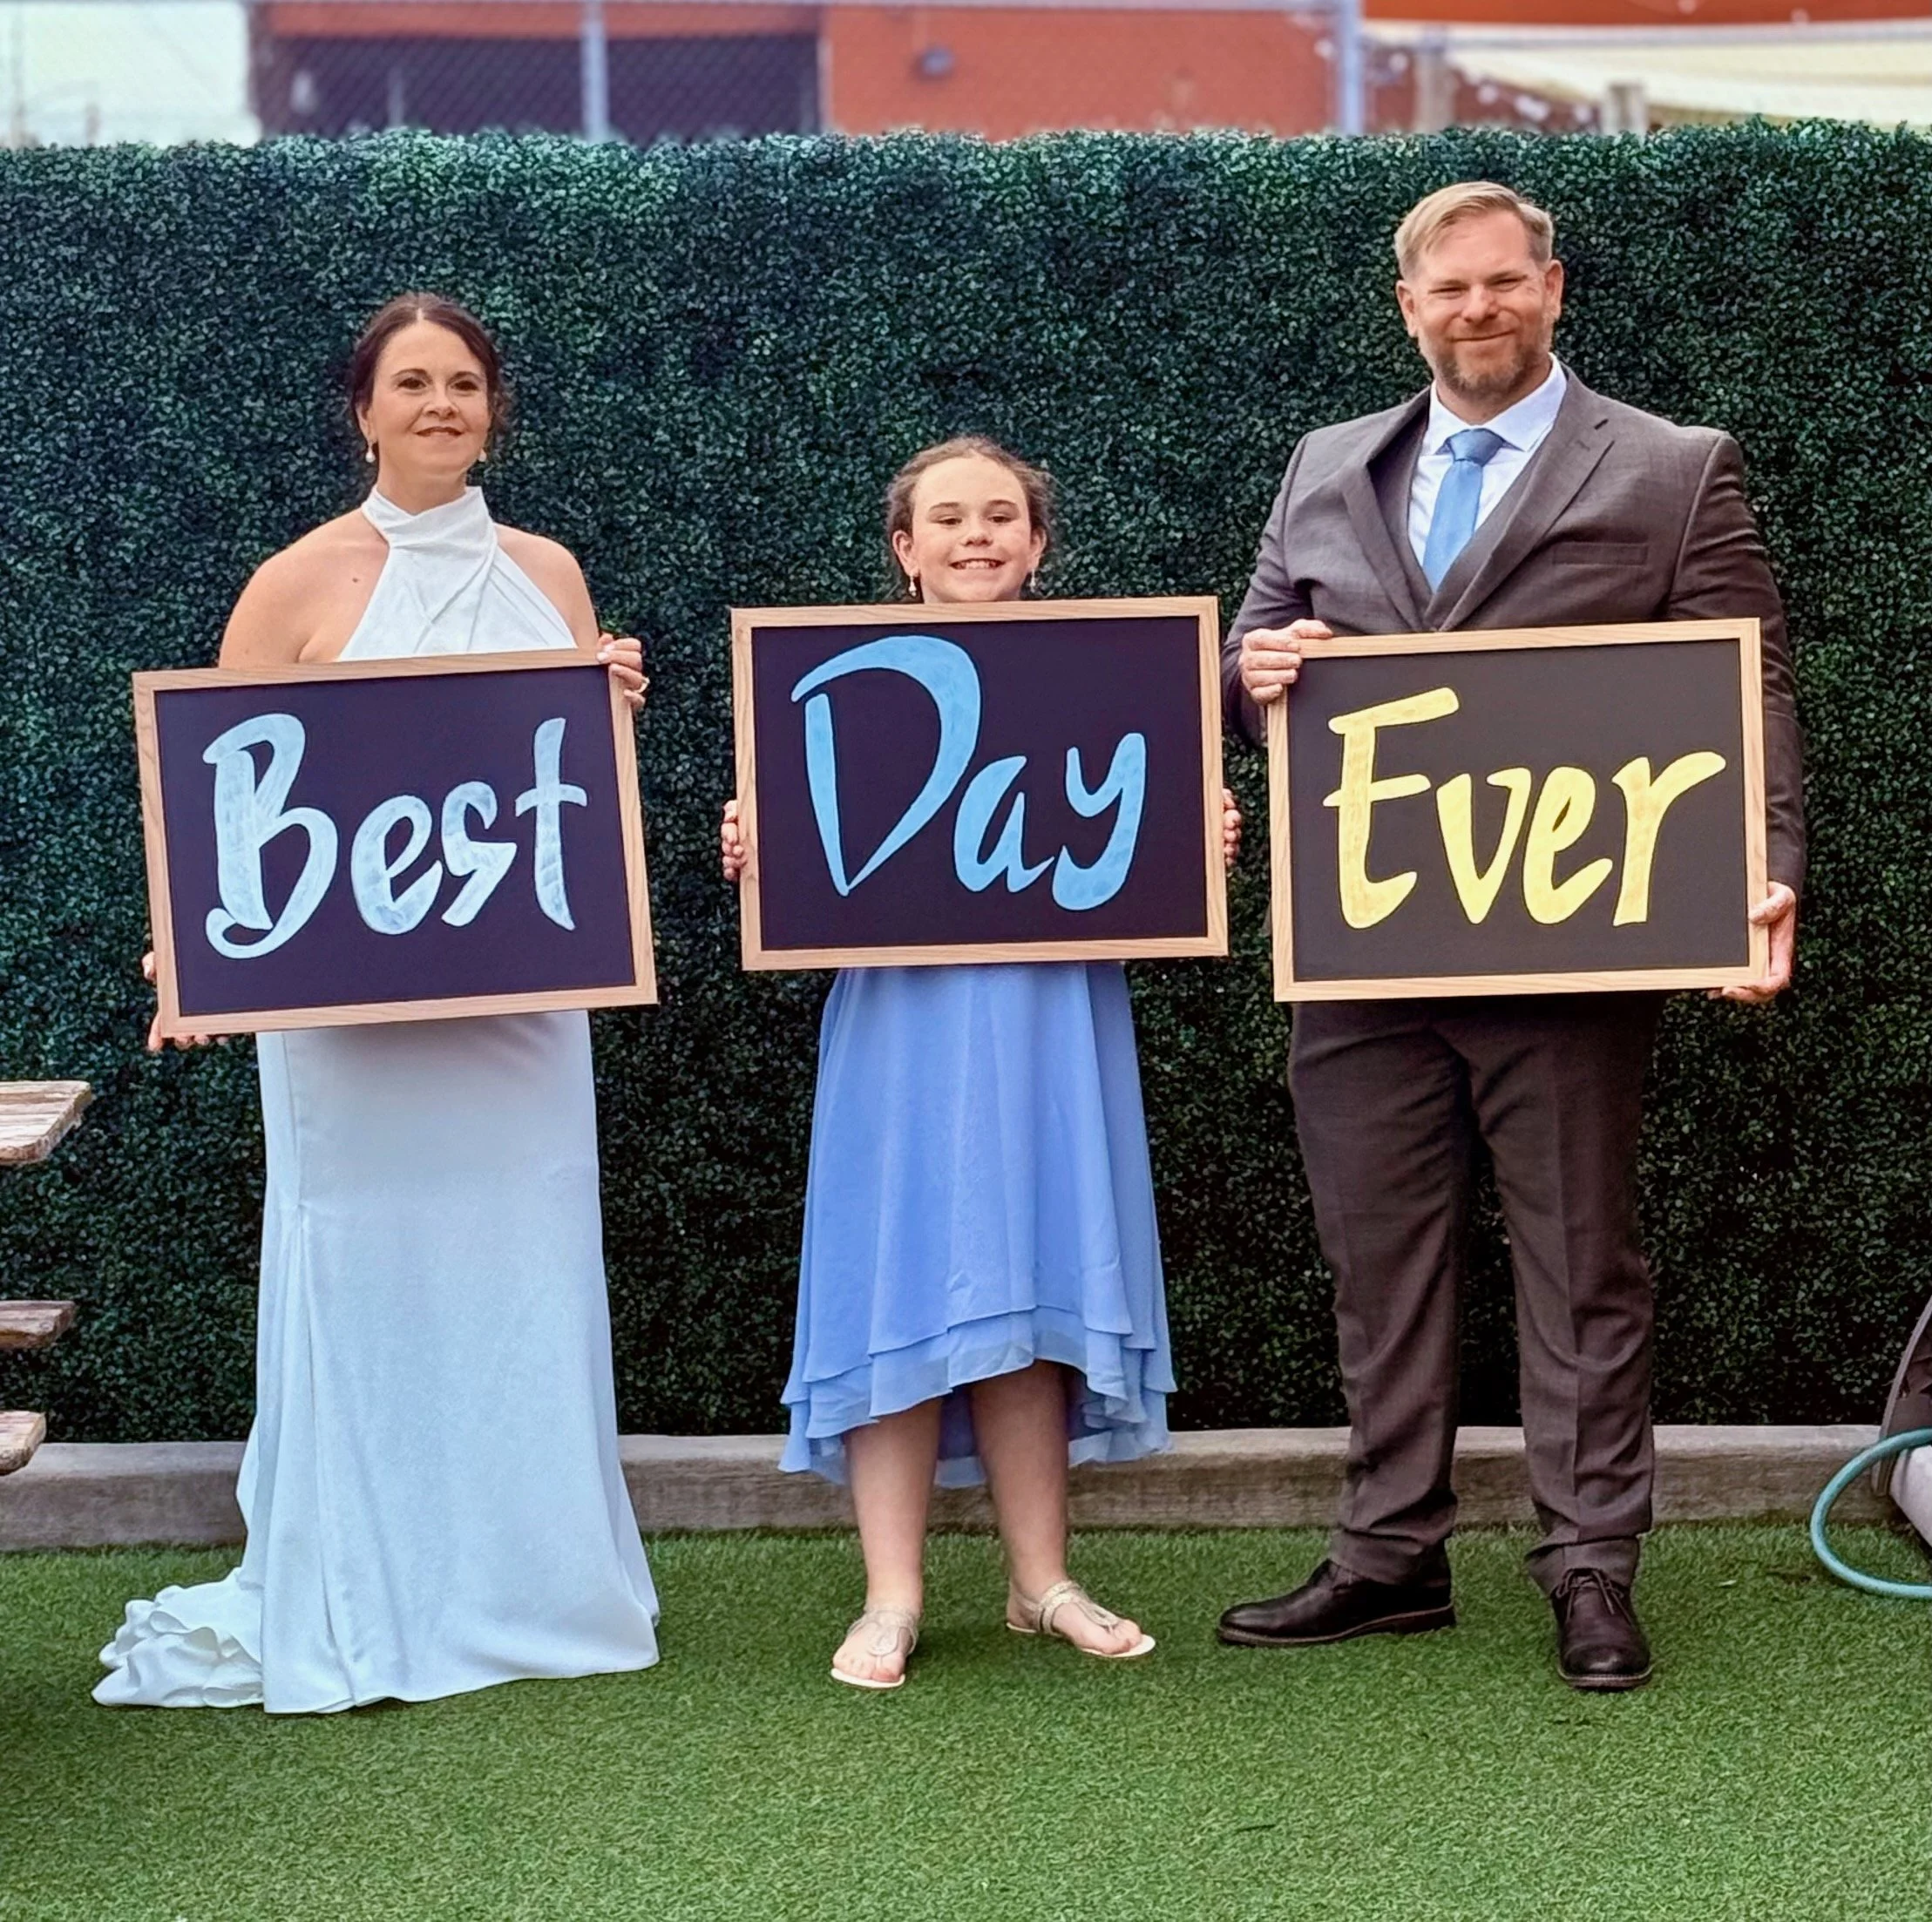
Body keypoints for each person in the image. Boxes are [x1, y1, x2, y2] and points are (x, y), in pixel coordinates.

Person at [1217, 183, 1804, 1691]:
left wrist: (1764, 874)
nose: (1476, 310)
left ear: (1552, 287)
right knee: (1378, 1260)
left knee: (1581, 1260)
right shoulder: (1326, 463)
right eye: (1446, 291)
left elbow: (1746, 691)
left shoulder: (1674, 468)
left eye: (1502, 283)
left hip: (1572, 941)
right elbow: (1252, 649)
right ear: (1405, 307)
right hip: (1362, 948)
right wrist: (1256, 665)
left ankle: (1592, 1565)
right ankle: (1387, 1554)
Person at [100, 294, 661, 1712]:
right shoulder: (293, 584)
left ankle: (529, 1587)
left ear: (493, 409)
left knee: (522, 1262)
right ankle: (371, 1582)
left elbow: (570, 796)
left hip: (520, 1006)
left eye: (463, 383)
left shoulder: (552, 570)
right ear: (363, 409)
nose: (439, 405)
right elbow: (213, 790)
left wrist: (612, 712)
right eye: (411, 382)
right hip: (348, 1025)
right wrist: (193, 955)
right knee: (365, 1272)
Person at [722, 436, 1241, 1689]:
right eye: (946, 517)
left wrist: (1201, 826)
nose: (975, 535)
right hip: (901, 1024)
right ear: (903, 551)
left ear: (1038, 543)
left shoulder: (1111, 683)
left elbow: (1150, 844)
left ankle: (1040, 1577)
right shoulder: (838, 690)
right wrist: (759, 839)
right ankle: (892, 1594)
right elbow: (803, 848)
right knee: (899, 1278)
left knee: (1038, 1276)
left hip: (1052, 1018)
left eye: (1000, 515)